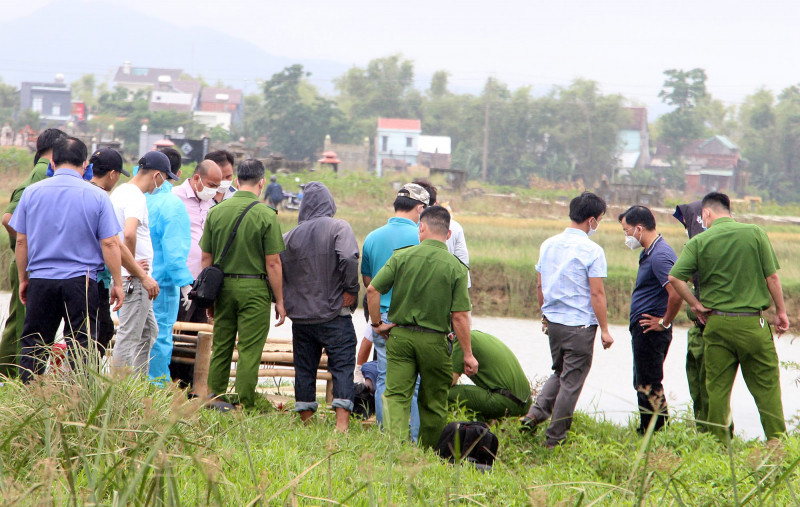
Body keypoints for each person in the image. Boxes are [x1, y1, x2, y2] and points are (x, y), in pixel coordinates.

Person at [668, 192, 788, 442]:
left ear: (707, 213)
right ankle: (778, 444)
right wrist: (781, 312)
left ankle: (720, 447)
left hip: (717, 325)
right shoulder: (755, 233)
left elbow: (675, 277)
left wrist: (695, 305)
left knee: (717, 391)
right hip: (752, 325)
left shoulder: (699, 241)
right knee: (767, 389)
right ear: (729, 211)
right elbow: (772, 278)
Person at [9, 137, 123, 382]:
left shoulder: (31, 193)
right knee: (82, 343)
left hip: (41, 278)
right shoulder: (98, 196)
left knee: (35, 343)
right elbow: (110, 243)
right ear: (85, 164)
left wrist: (23, 279)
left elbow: (21, 241)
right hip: (81, 281)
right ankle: (78, 397)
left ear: (52, 161)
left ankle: (28, 397)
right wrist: (118, 283)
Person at [367, 205, 476, 448]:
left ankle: (395, 448)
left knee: (396, 396)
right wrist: (467, 355)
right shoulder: (456, 267)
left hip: (400, 338)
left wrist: (377, 324)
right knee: (434, 401)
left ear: (421, 227)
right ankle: (428, 451)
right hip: (435, 342)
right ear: (448, 235)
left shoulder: (402, 256)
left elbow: (373, 289)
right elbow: (459, 316)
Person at [520, 192, 614, 449]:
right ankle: (555, 439)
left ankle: (534, 415)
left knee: (560, 371)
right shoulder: (593, 250)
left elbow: (540, 284)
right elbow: (597, 293)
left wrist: (545, 315)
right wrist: (605, 329)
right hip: (579, 326)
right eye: (600, 219)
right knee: (571, 381)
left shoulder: (548, 244)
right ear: (592, 220)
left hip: (554, 324)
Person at [200, 158, 286, 408]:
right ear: (261, 183)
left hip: (223, 289)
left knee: (222, 345)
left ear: (236, 181)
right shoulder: (267, 215)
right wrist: (279, 301)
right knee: (249, 349)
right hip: (255, 290)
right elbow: (273, 263)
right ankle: (244, 402)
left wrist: (209, 295)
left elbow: (207, 257)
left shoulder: (216, 211)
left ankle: (215, 398)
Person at [280, 182, 360, 431]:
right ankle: (341, 427)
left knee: (304, 368)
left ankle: (306, 424)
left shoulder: (288, 236)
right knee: (343, 365)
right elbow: (347, 257)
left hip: (301, 318)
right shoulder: (339, 227)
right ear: (330, 203)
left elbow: (276, 267)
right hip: (334, 314)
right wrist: (350, 289)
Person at [360, 183, 429, 432]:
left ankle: (384, 435)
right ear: (420, 208)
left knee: (384, 380)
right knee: (414, 384)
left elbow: (369, 283)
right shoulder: (421, 238)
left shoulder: (372, 236)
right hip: (413, 319)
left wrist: (377, 322)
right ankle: (412, 439)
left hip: (382, 319)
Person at [0, 128, 65, 377]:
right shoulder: (43, 173)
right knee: (26, 324)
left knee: (17, 320)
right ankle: (16, 377)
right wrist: (33, 243)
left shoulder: (41, 171)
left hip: (26, 259)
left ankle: (6, 375)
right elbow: (9, 218)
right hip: (28, 261)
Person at [110, 150, 178, 375]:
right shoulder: (136, 196)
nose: (163, 184)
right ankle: (117, 392)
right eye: (165, 179)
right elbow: (128, 234)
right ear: (157, 175)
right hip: (136, 279)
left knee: (149, 331)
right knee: (129, 337)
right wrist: (137, 271)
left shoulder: (120, 192)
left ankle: (137, 387)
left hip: (130, 275)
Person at [88, 148, 159, 353]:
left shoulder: (112, 194)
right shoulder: (105, 198)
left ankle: (132, 383)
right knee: (110, 334)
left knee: (146, 332)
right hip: (105, 277)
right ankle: (116, 384)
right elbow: (120, 239)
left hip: (93, 276)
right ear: (112, 174)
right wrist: (134, 269)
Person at [618, 205, 682, 433]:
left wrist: (664, 322)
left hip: (652, 330)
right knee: (643, 380)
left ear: (639, 228)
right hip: (643, 328)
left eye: (627, 231)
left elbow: (676, 293)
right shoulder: (650, 252)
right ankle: (649, 428)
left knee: (649, 384)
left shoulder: (660, 255)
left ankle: (655, 432)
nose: (626, 236)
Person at [146, 147, 194, 385]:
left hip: (128, 281)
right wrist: (185, 284)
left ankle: (126, 388)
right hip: (161, 286)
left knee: (131, 337)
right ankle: (155, 389)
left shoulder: (133, 196)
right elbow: (174, 255)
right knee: (160, 337)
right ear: (176, 173)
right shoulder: (172, 205)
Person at [672, 200, 710, 430]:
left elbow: (675, 281)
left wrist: (694, 304)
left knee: (709, 386)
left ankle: (715, 436)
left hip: (709, 328)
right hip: (696, 328)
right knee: (697, 384)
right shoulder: (695, 248)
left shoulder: (703, 247)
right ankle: (703, 432)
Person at [174, 159, 223, 324]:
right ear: (196, 178)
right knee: (178, 328)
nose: (213, 190)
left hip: (203, 280)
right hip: (181, 279)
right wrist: (182, 282)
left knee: (199, 331)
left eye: (217, 186)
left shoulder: (212, 204)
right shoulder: (175, 198)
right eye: (211, 185)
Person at [449, 330, 532, 421]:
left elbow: (449, 381)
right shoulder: (476, 336)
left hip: (505, 401)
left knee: (440, 393)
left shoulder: (463, 342)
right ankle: (483, 426)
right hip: (525, 403)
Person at [413, 179, 470, 286]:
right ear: (436, 203)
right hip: (448, 289)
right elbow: (463, 265)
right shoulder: (455, 226)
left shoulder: (410, 226)